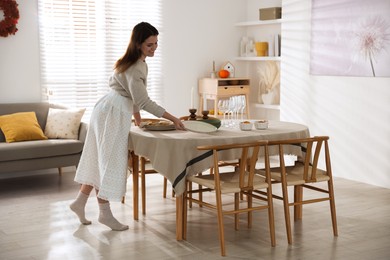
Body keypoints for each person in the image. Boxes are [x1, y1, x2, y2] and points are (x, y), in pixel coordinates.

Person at [69, 22, 185, 231]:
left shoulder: (132, 62)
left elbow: (131, 96)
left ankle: (79, 203)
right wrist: (173, 118)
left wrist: (138, 119)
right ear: (138, 44)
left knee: (98, 159)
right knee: (108, 163)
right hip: (112, 113)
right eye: (150, 45)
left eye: (156, 43)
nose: (154, 48)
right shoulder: (135, 67)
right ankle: (105, 214)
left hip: (106, 108)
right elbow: (143, 100)